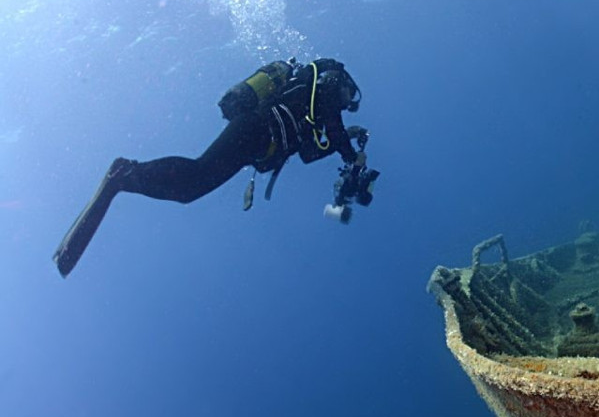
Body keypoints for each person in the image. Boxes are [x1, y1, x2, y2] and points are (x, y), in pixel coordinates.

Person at [53, 57, 378, 278]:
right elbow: (334, 127)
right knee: (195, 177)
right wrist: (351, 154)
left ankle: (124, 178)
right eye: (349, 95)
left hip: (257, 143)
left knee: (189, 190)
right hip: (255, 128)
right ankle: (123, 174)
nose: (346, 101)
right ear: (342, 81)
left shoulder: (317, 109)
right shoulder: (326, 83)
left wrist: (346, 141)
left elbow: (308, 152)